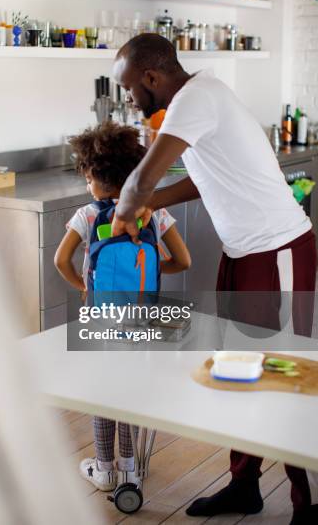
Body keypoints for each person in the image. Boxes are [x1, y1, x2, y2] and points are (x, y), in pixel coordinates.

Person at [110, 33, 317, 525]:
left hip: (277, 251)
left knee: (283, 374)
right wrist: (149, 205)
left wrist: (123, 209)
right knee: (241, 370)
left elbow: (141, 180)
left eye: (129, 89)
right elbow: (203, 178)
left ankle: (308, 502)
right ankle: (245, 486)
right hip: (244, 253)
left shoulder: (195, 99)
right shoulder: (200, 98)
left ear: (152, 78)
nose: (129, 99)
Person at [54, 120, 191, 491]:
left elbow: (60, 261)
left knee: (102, 390)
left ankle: (104, 468)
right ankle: (130, 469)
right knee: (130, 389)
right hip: (142, 318)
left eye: (87, 177)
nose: (87, 184)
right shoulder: (154, 213)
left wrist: (84, 285)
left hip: (100, 317)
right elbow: (183, 261)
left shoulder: (87, 214)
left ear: (94, 177)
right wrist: (146, 269)